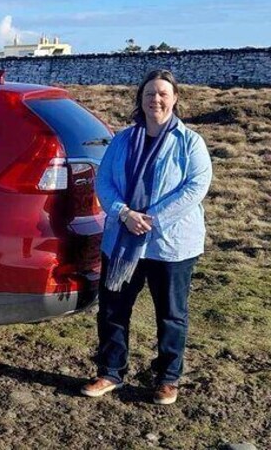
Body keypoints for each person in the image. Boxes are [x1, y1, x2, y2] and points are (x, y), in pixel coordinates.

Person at [81, 69, 212, 405]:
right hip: (123, 241)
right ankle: (110, 371)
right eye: (150, 93)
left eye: (163, 93)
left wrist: (151, 220)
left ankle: (168, 378)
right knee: (112, 310)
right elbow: (104, 182)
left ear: (175, 99)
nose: (156, 99)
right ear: (140, 99)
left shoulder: (190, 142)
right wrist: (124, 214)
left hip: (171, 246)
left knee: (171, 313)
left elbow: (196, 187)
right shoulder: (123, 140)